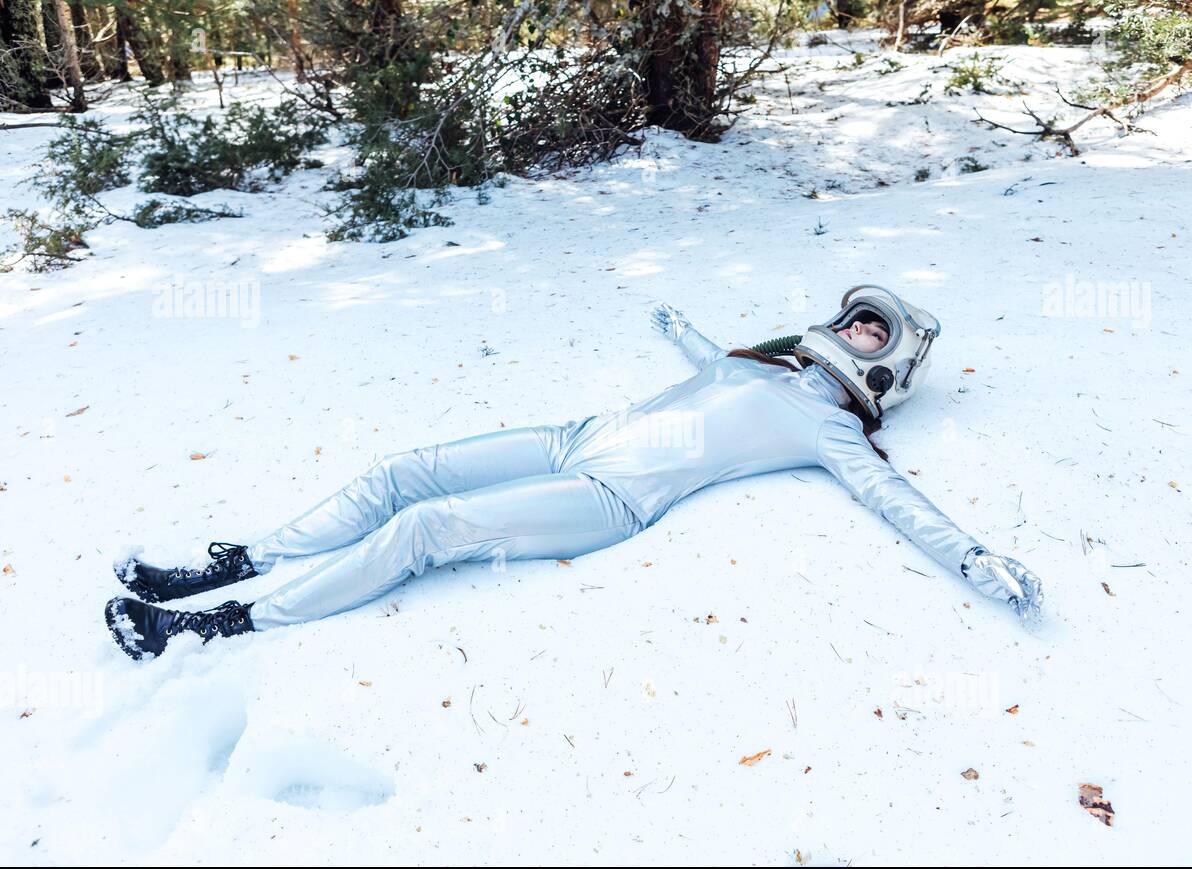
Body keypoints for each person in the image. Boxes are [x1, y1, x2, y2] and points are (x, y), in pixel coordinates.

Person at [105, 285, 1044, 660]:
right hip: (574, 438)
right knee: (399, 473)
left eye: (874, 333)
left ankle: (217, 624)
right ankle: (235, 561)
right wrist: (684, 332)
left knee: (425, 531)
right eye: (856, 319)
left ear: (890, 368)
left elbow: (896, 500)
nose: (856, 331)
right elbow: (711, 370)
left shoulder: (834, 429)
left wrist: (975, 561)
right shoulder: (764, 365)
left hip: (608, 496)